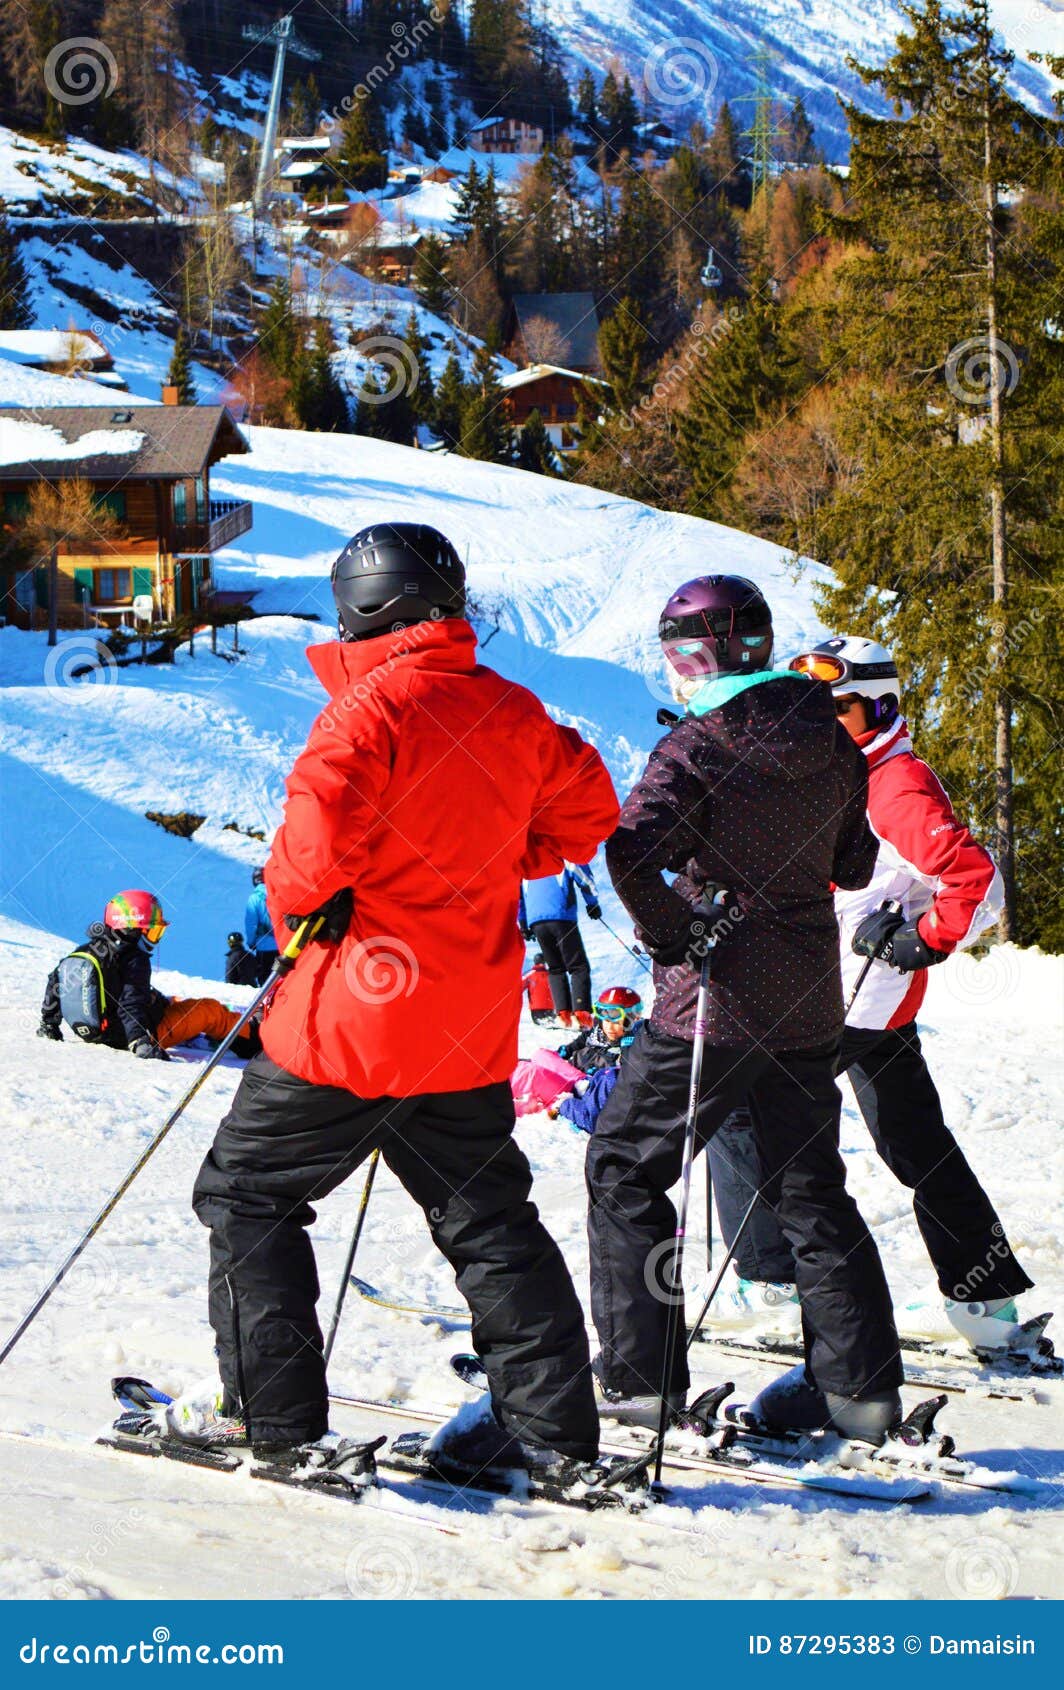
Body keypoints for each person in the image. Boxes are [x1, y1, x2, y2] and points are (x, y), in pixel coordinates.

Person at [183, 522, 621, 1490]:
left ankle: (275, 1421)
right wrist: (506, 851)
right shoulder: (511, 709)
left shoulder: (365, 711)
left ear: (364, 606)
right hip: (462, 1033)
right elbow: (590, 809)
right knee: (488, 1218)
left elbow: (303, 863)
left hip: (350, 1027)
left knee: (245, 1194)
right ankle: (548, 1432)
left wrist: (323, 893)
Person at [585, 574, 905, 1446]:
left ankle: (639, 1380)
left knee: (625, 1167)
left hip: (713, 1004)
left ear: (714, 650)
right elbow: (853, 864)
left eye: (683, 654)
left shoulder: (700, 745)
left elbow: (627, 851)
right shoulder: (830, 734)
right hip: (806, 999)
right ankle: (861, 1391)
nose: (677, 671)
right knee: (809, 1188)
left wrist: (678, 930)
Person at [703, 635, 1033, 1354]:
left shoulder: (895, 786)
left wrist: (926, 938)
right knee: (914, 1140)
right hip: (863, 999)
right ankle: (985, 1299)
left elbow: (979, 886)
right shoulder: (853, 771)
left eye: (839, 707)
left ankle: (767, 1281)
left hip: (847, 997)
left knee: (739, 1107)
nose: (820, 720)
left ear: (879, 705)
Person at [38, 890, 259, 1060]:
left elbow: (56, 980)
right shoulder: (135, 958)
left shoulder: (88, 950)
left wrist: (49, 1023)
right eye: (152, 931)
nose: (155, 939)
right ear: (132, 929)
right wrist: (139, 1041)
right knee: (208, 1010)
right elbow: (130, 1002)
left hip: (96, 1030)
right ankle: (253, 1039)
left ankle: (190, 1027)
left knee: (170, 1001)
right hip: (132, 1035)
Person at [549, 986, 643, 1135]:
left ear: (632, 1020)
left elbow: (621, 1075)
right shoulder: (598, 1029)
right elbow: (583, 1038)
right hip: (572, 1067)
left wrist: (627, 1047)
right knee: (540, 1055)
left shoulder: (631, 1042)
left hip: (579, 1081)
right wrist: (565, 1051)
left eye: (616, 1022)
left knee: (537, 1073)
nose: (609, 1027)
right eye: (605, 1021)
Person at [518, 862, 601, 1028]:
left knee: (556, 968)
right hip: (561, 916)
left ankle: (563, 1014)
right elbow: (584, 878)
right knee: (578, 966)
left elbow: (519, 893)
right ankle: (581, 1013)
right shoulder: (562, 853)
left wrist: (524, 921)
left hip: (536, 920)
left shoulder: (528, 861)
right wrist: (592, 904)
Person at [243, 866, 279, 985]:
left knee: (265, 979)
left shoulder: (254, 898)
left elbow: (251, 923)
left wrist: (252, 942)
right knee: (280, 975)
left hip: (264, 947)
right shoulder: (279, 892)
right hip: (283, 946)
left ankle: (268, 1002)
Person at [521, 951, 555, 1025]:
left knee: (541, 1026)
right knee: (550, 1025)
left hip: (535, 1008)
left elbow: (519, 988)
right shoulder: (552, 975)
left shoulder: (529, 975)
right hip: (550, 1007)